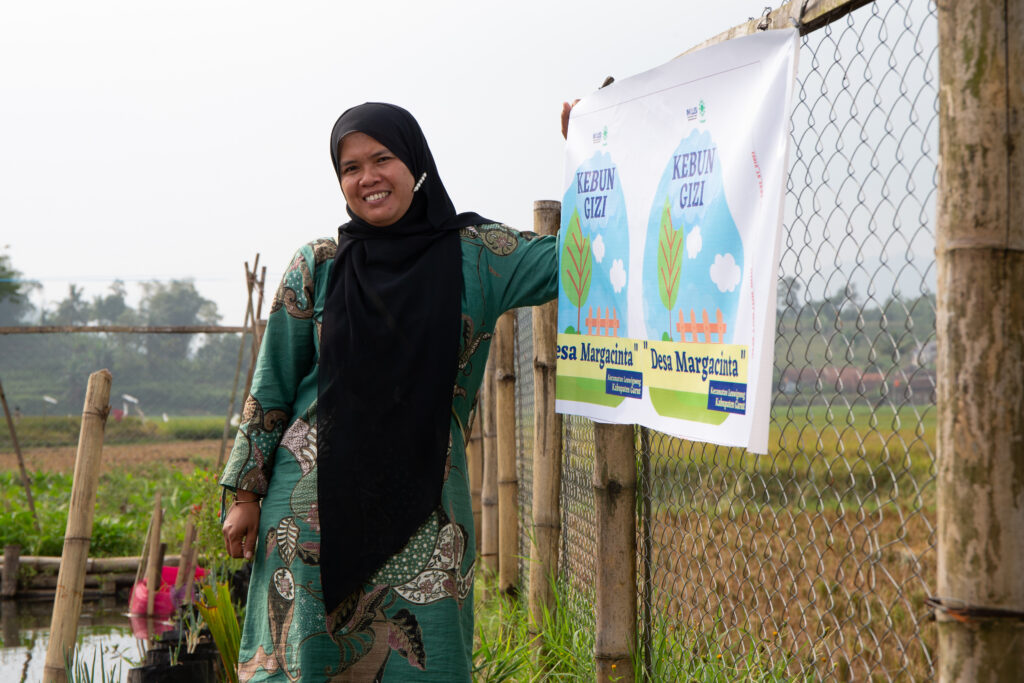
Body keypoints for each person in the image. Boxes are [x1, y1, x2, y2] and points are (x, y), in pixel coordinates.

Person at [220, 102, 559, 682]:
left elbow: (578, 256)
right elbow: (271, 387)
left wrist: (592, 149)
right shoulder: (317, 267)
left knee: (422, 666)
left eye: (383, 158)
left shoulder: (476, 257)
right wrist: (246, 495)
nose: (367, 177)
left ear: (417, 164)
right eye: (350, 167)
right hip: (308, 528)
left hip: (424, 521)